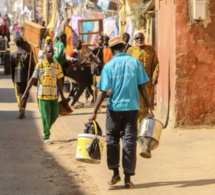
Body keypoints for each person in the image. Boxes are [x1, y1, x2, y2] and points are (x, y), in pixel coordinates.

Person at [89, 37, 153, 188]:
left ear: (111, 51)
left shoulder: (109, 66)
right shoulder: (135, 63)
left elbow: (101, 91)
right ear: (124, 48)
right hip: (132, 109)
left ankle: (115, 173)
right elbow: (143, 86)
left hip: (114, 110)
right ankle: (128, 178)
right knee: (129, 142)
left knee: (112, 140)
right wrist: (149, 106)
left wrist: (94, 112)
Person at [21, 45, 66, 144]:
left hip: (54, 95)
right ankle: (46, 136)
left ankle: (45, 129)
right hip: (43, 96)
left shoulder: (57, 65)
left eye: (52, 52)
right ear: (45, 53)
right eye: (49, 52)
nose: (51, 54)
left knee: (55, 115)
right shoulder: (40, 65)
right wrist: (25, 93)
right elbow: (32, 79)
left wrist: (62, 95)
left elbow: (59, 81)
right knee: (45, 116)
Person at [127, 31, 159, 120]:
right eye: (137, 38)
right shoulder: (130, 51)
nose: (139, 39)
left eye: (141, 38)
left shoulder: (151, 49)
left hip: (148, 82)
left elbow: (156, 63)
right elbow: (126, 64)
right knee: (136, 102)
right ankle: (137, 122)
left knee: (147, 101)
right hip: (135, 82)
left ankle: (145, 122)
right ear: (134, 40)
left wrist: (155, 76)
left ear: (144, 39)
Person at [10, 36, 32, 119]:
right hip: (26, 78)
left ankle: (21, 108)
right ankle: (23, 108)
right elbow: (30, 68)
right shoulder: (28, 54)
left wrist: (13, 79)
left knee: (19, 94)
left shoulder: (12, 54)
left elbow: (12, 69)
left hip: (17, 78)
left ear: (16, 44)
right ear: (22, 43)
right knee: (25, 94)